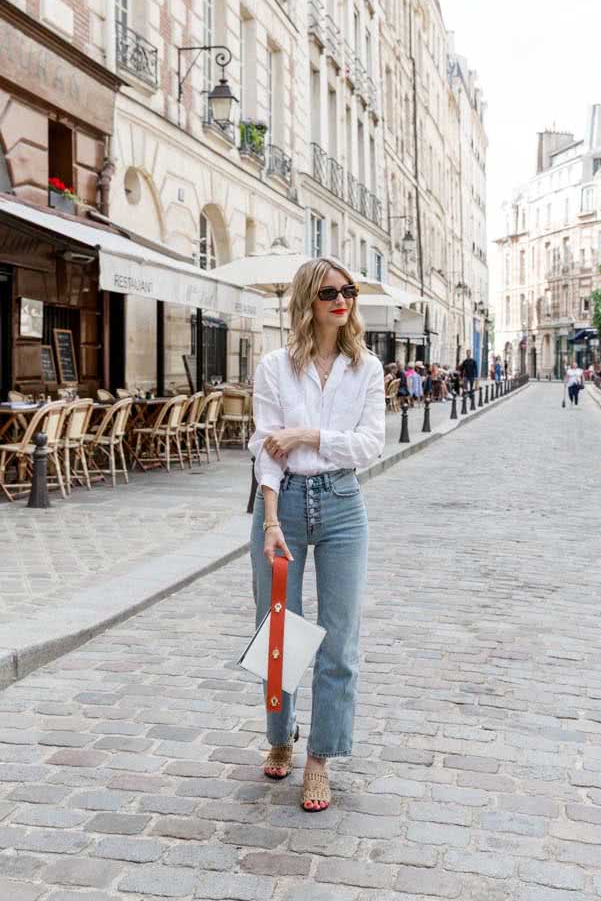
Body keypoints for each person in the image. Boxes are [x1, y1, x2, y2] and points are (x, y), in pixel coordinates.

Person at [248, 258, 385, 813]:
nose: (342, 300)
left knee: (340, 639)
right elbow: (266, 448)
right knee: (277, 629)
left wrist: (306, 434)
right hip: (282, 508)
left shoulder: (366, 368)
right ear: (308, 298)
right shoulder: (274, 366)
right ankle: (280, 732)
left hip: (343, 505)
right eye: (330, 292)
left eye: (348, 291)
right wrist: (272, 522)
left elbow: (369, 445)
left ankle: (320, 760)